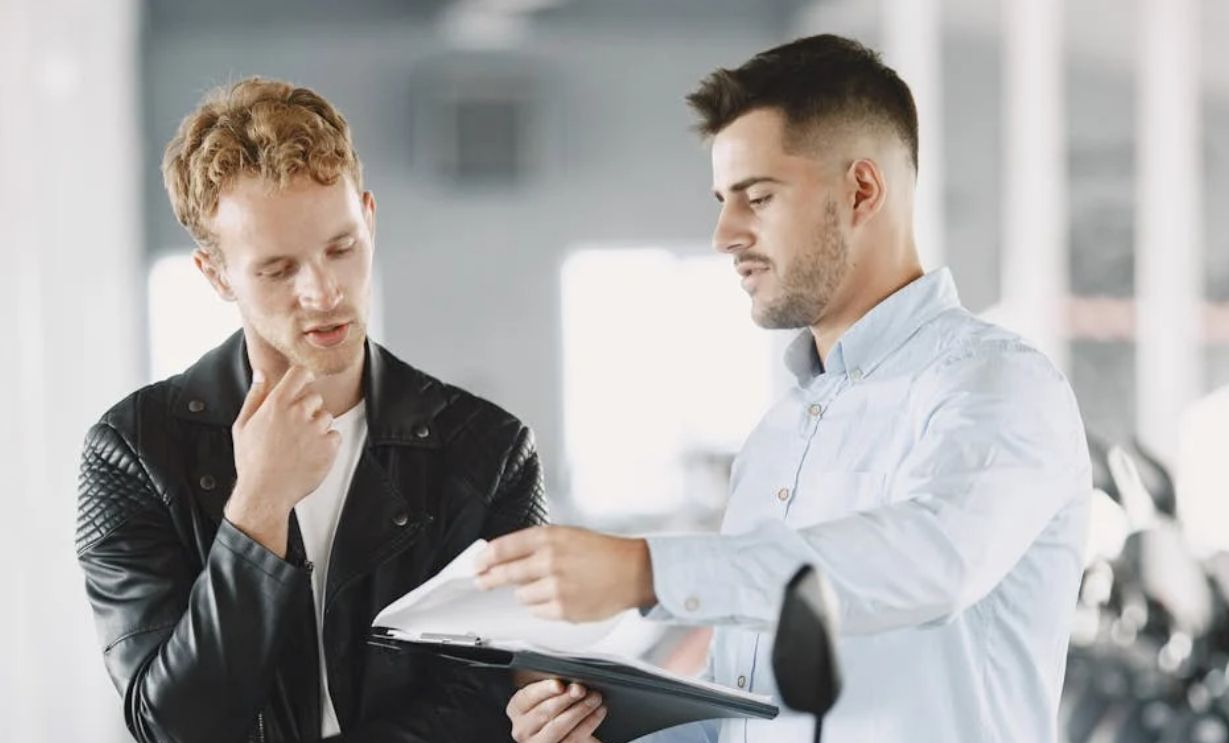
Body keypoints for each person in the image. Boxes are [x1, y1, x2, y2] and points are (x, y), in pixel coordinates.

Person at [480, 34, 1091, 743]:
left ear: (860, 189)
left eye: (757, 197)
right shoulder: (779, 433)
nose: (723, 234)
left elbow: (930, 560)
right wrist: (593, 733)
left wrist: (645, 570)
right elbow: (750, 723)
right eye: (721, 200)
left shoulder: (994, 382)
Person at [76, 77, 547, 742]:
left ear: (370, 216)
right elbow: (176, 725)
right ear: (216, 275)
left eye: (341, 248)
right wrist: (258, 506)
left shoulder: (488, 449)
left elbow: (487, 697)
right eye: (276, 269)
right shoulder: (133, 451)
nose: (323, 291)